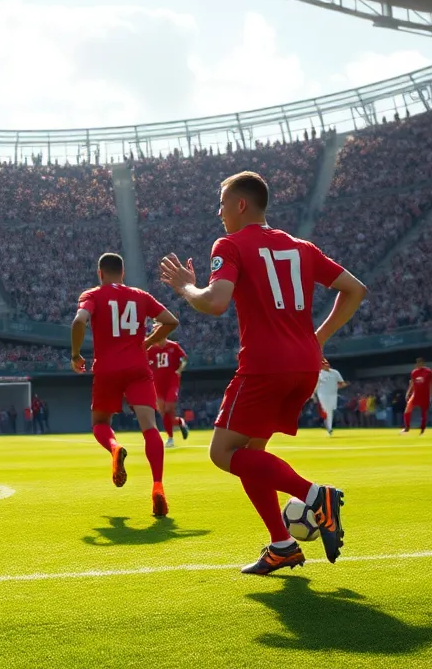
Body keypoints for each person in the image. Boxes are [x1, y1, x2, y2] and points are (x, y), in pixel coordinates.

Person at [160, 171, 367, 575]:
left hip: (263, 366)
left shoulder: (231, 244)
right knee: (251, 455)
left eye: (222, 204)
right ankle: (283, 545)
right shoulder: (302, 247)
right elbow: (355, 289)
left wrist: (186, 288)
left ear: (240, 205)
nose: (218, 213)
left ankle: (316, 496)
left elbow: (216, 302)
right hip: (304, 365)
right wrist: (317, 339)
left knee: (222, 453)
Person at [72, 252, 179, 518]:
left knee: (100, 423)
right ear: (123, 273)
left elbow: (78, 321)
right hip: (138, 368)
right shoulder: (140, 296)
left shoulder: (93, 295)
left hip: (108, 369)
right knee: (150, 428)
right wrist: (148, 342)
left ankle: (114, 448)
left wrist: (75, 354)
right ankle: (158, 487)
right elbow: (171, 321)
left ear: (100, 273)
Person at [146, 338, 190, 448]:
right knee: (164, 413)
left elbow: (184, 358)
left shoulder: (173, 346)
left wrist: (179, 370)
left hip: (172, 382)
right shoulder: (151, 348)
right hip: (157, 384)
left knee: (169, 408)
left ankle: (170, 438)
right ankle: (179, 423)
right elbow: (145, 362)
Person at [313, 358, 348, 436]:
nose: (325, 365)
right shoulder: (319, 374)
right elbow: (315, 385)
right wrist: (313, 395)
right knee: (327, 410)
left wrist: (338, 386)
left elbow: (342, 383)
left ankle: (326, 424)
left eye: (326, 364)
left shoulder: (335, 372)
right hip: (322, 394)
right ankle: (329, 428)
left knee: (330, 411)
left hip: (333, 394)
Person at [402, 357, 432, 435]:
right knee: (407, 409)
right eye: (417, 363)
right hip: (415, 394)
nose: (418, 364)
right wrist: (408, 392)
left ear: (423, 363)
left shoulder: (428, 372)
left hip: (425, 395)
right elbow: (412, 383)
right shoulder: (414, 372)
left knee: (424, 412)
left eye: (420, 363)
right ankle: (407, 428)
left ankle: (422, 429)